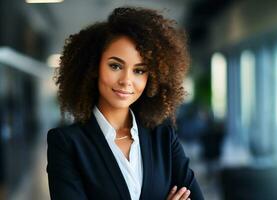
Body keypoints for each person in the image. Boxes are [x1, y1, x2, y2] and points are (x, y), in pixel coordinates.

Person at [46, 7, 204, 200]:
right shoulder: (66, 144)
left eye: (139, 70)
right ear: (94, 67)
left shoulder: (163, 136)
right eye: (115, 66)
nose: (126, 80)